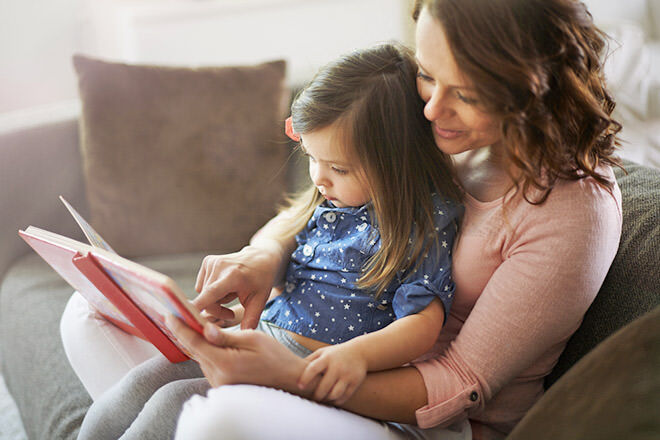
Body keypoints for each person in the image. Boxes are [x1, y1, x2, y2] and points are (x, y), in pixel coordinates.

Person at [61, 0, 624, 439]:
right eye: (428, 75)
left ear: (535, 88)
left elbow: (459, 382)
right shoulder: (435, 129)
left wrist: (289, 375)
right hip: (305, 348)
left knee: (203, 416)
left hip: (413, 419)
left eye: (468, 94)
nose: (431, 109)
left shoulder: (572, 210)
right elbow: (316, 208)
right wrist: (263, 257)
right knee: (89, 316)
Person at [70, 42, 465, 440]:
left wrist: (355, 356)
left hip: (317, 371)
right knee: (147, 380)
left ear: (398, 162)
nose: (318, 178)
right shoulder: (331, 201)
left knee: (176, 402)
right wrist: (238, 318)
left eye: (338, 168)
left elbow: (422, 324)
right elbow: (286, 278)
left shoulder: (426, 222)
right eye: (311, 158)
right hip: (264, 341)